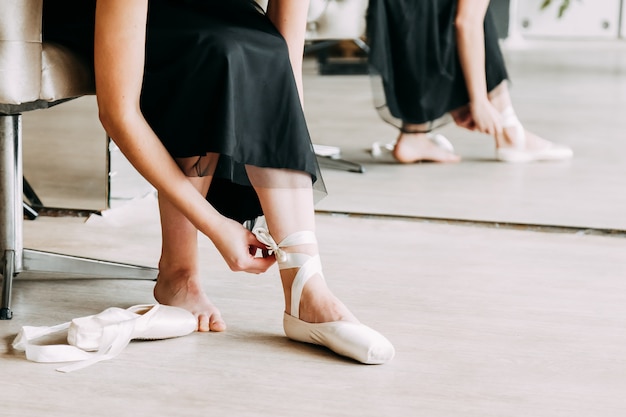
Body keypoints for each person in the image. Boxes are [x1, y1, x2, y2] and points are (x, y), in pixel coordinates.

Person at [42, 0, 394, 365]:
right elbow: (119, 112)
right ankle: (178, 273)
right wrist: (214, 224)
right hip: (96, 14)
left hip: (209, 12)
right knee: (211, 51)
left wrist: (278, 137)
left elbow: (285, 72)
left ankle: (307, 288)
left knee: (263, 47)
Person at [366, 0, 574, 163]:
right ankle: (509, 130)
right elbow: (466, 23)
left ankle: (415, 133)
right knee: (474, 15)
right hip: (409, 18)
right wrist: (479, 101)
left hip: (397, 17)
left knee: (465, 8)